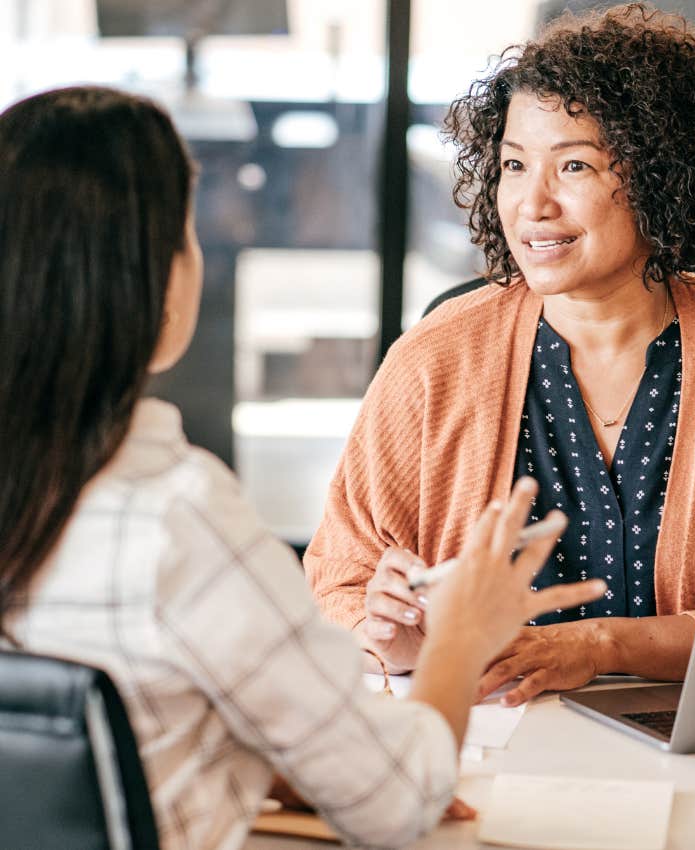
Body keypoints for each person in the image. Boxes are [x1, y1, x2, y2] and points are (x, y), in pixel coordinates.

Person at [0, 85, 606, 850]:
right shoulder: (177, 516)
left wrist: (271, 760)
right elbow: (394, 802)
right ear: (153, 283)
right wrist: (461, 636)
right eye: (188, 234)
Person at [304, 3, 695, 707]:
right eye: (513, 165)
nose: (532, 203)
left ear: (660, 175)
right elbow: (341, 584)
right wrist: (394, 634)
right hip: (485, 731)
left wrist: (601, 646)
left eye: (574, 165)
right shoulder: (435, 359)